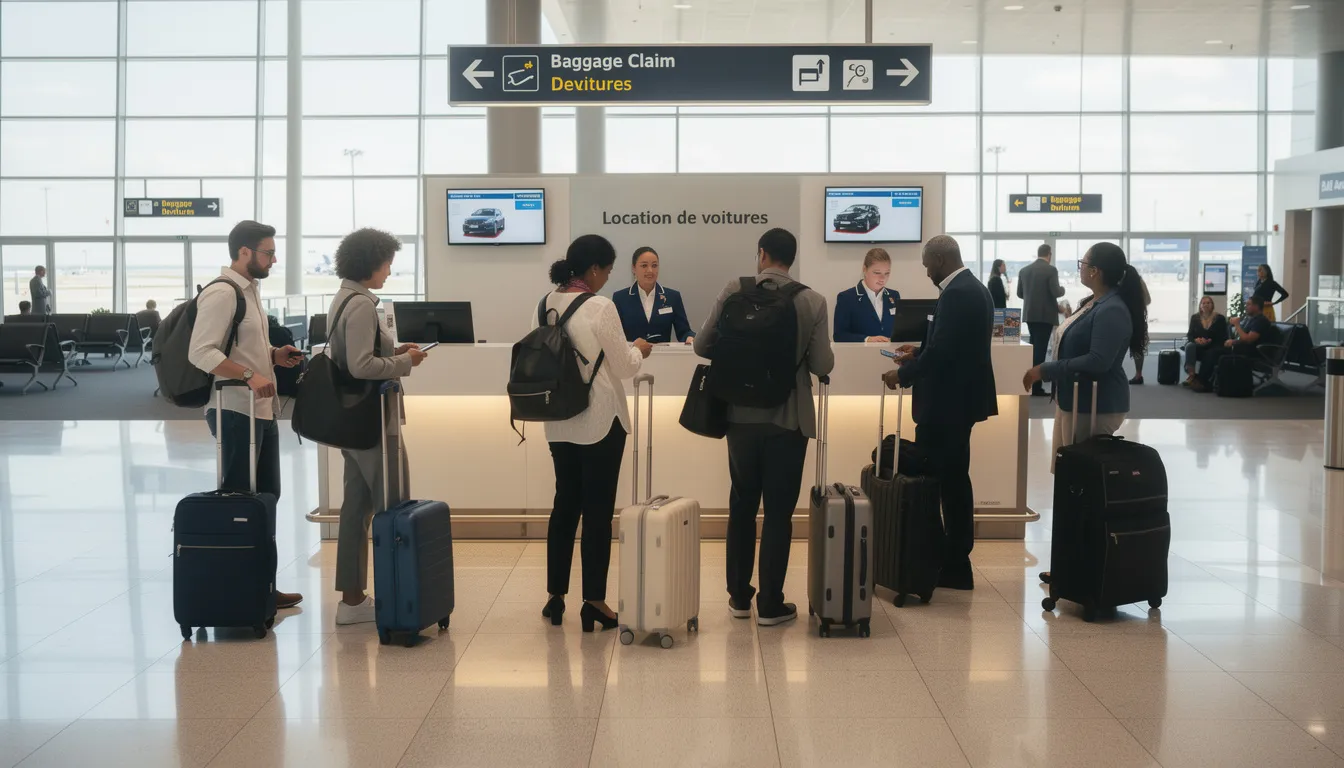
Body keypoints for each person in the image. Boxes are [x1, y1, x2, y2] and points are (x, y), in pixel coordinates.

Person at [696, 228, 833, 625]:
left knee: (741, 505)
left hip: (739, 417)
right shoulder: (812, 300)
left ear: (761, 255)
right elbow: (823, 365)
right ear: (792, 258)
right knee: (778, 513)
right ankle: (771, 604)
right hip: (788, 420)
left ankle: (739, 598)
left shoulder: (732, 289)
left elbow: (703, 346)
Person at [187, 220, 305, 610]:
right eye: (268, 252)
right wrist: (249, 374)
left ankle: (262, 585)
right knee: (239, 501)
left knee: (267, 497)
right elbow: (202, 352)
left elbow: (240, 347)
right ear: (243, 253)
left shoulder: (250, 291)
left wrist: (272, 357)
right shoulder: (222, 294)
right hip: (234, 411)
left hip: (261, 410)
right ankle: (237, 589)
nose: (273, 259)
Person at [539, 235, 652, 632]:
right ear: (594, 270)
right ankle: (595, 602)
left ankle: (555, 597)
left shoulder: (547, 302)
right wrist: (640, 349)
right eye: (606, 270)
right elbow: (623, 366)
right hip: (600, 419)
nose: (606, 278)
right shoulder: (601, 306)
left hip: (558, 420)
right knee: (598, 512)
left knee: (564, 506)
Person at [325, 228, 429, 625]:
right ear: (372, 263)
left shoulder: (343, 298)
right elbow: (360, 366)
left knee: (356, 508)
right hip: (372, 422)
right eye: (387, 264)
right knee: (391, 504)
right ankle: (395, 594)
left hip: (351, 423)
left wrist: (394, 350)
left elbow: (359, 353)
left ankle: (352, 600)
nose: (389, 271)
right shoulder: (363, 305)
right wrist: (405, 364)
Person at [882, 235, 995, 591]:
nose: (926, 270)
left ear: (942, 259)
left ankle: (954, 564)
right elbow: (949, 346)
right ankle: (952, 561)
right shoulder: (970, 287)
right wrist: (919, 351)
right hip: (956, 404)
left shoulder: (959, 292)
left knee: (947, 484)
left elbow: (945, 353)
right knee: (953, 480)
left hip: (948, 406)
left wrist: (902, 374)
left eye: (927, 263)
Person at [1023, 242, 1147, 463]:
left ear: (1094, 271)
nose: (1079, 267)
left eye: (1083, 263)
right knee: (1068, 471)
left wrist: (1045, 369)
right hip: (1075, 399)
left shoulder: (1112, 309)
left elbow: (1098, 361)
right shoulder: (1095, 302)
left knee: (1082, 474)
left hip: (1094, 403)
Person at [610, 246, 696, 344]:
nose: (650, 270)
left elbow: (684, 332)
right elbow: (615, 336)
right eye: (644, 266)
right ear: (633, 268)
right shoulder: (620, 298)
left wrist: (690, 337)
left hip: (663, 357)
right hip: (632, 357)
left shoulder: (672, 297)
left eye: (654, 266)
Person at [1189, 295, 1272, 393]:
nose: (1246, 306)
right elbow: (1244, 338)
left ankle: (1202, 381)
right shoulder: (1251, 319)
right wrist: (1234, 341)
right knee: (1211, 351)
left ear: (1256, 306)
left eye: (1249, 304)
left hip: (1253, 352)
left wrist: (1237, 325)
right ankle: (1203, 379)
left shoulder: (1261, 321)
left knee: (1213, 353)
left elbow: (1248, 340)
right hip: (1242, 348)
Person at [1016, 244, 1066, 397]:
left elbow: (1019, 293)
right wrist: (1062, 289)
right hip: (1045, 316)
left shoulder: (1024, 271)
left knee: (1035, 347)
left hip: (1031, 315)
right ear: (1049, 255)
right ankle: (1036, 386)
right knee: (1040, 350)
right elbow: (1056, 291)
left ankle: (1031, 381)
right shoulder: (1051, 270)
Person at [833, 247, 901, 343]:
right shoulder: (846, 298)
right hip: (860, 355)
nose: (883, 278)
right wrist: (867, 339)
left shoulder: (894, 296)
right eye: (877, 273)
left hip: (890, 355)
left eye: (887, 273)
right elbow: (839, 336)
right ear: (865, 269)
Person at [1182, 296, 1228, 387]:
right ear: (1200, 306)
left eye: (1208, 303)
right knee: (1190, 346)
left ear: (1212, 305)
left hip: (1213, 345)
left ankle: (1202, 379)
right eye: (1203, 303)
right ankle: (1192, 375)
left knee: (1210, 352)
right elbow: (1190, 334)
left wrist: (1209, 340)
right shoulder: (1195, 318)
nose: (1206, 305)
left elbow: (1223, 336)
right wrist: (1196, 340)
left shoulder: (1220, 318)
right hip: (1198, 345)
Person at [1128, 275, 1153, 385]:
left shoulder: (1137, 282)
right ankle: (1138, 375)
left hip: (1136, 319)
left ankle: (1138, 374)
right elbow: (1147, 300)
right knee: (1137, 346)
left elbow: (1147, 300)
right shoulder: (1138, 281)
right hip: (1137, 318)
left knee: (1137, 347)